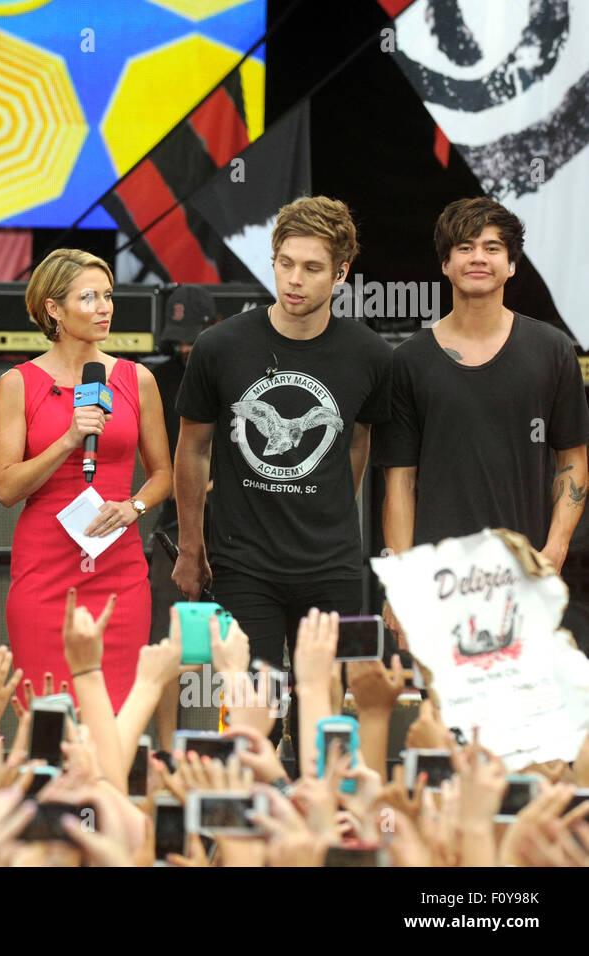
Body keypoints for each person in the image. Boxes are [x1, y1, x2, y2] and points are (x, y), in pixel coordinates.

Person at [172, 196, 392, 689]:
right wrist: (191, 547)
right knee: (254, 712)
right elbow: (192, 448)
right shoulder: (220, 346)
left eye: (312, 268)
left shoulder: (371, 354)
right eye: (285, 264)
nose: (294, 279)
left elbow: (358, 440)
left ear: (341, 274)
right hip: (242, 564)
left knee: (328, 715)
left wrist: (334, 506)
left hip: (334, 566)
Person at [376, 197, 589, 639]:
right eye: (466, 247)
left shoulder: (552, 351)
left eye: (493, 248)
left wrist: (555, 548)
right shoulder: (409, 361)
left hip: (526, 578)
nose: (478, 257)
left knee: (524, 707)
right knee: (442, 710)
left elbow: (572, 458)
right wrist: (401, 583)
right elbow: (400, 482)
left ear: (511, 265)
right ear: (445, 264)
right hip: (440, 584)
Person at [0, 248, 172, 711]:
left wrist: (134, 507)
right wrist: (70, 438)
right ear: (53, 308)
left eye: (108, 296)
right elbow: (7, 488)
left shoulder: (137, 379)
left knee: (114, 720)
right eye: (89, 297)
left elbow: (162, 475)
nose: (105, 307)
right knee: (49, 721)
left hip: (120, 571)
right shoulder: (18, 383)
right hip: (44, 573)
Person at [146, 284, 217, 747]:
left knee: (234, 646)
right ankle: (168, 754)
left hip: (237, 523)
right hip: (172, 527)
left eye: (194, 337)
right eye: (179, 340)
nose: (186, 348)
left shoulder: (233, 365)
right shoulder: (156, 379)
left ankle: (242, 747)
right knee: (166, 645)